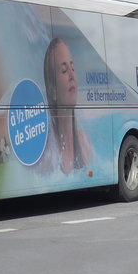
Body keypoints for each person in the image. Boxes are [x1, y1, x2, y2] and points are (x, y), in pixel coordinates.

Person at [38, 37, 94, 175]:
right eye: (64, 70)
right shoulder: (48, 155)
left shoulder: (84, 142)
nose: (72, 76)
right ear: (53, 90)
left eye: (72, 68)